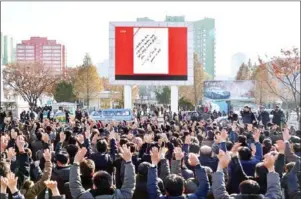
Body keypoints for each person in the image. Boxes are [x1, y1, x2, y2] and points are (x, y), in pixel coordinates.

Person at [69, 146, 135, 199]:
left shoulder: (83, 197)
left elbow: (74, 185)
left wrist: (76, 162)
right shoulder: (122, 196)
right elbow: (130, 183)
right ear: (111, 185)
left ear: (94, 186)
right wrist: (128, 161)